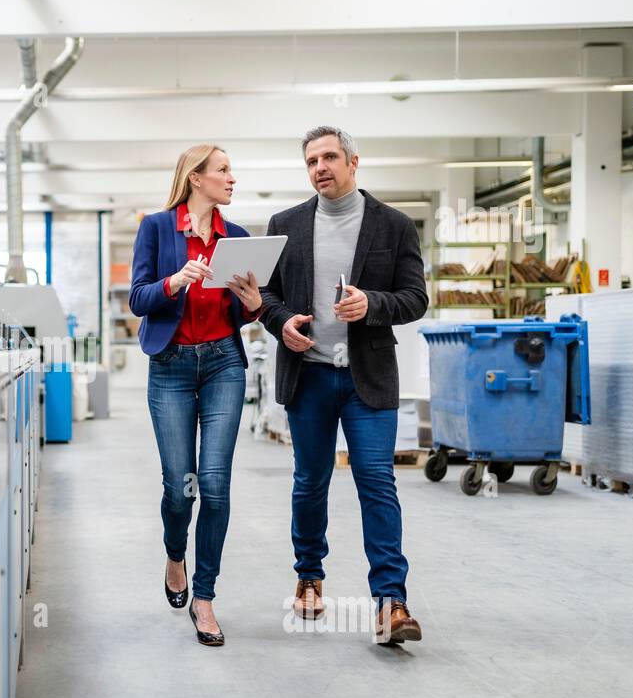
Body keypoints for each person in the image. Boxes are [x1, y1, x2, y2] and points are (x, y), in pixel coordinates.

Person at [259, 126, 428, 644]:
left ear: (355, 161)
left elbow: (415, 298)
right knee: (310, 481)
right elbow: (265, 295)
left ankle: (391, 603)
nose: (320, 168)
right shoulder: (283, 225)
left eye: (330, 157)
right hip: (307, 374)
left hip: (367, 378)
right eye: (311, 160)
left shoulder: (394, 225)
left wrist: (372, 305)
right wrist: (281, 322)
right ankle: (309, 577)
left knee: (376, 481)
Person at [129, 144, 265, 646]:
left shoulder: (239, 237)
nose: (232, 177)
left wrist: (253, 305)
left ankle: (204, 598)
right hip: (171, 367)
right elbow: (137, 297)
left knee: (215, 482)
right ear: (196, 178)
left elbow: (246, 311)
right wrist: (173, 282)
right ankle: (174, 553)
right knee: (179, 485)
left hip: (224, 362)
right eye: (223, 170)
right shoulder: (158, 228)